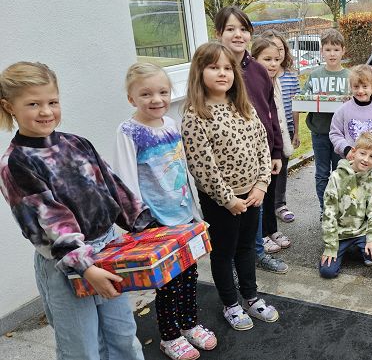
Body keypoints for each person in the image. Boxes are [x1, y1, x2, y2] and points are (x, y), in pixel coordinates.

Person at [0, 61, 154, 360]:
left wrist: (147, 227)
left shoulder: (76, 143)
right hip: (67, 265)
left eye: (52, 102)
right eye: (33, 104)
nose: (46, 111)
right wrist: (85, 267)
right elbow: (52, 222)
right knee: (82, 349)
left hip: (108, 253)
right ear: (9, 107)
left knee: (123, 336)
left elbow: (115, 189)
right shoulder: (16, 163)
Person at [113, 62, 216, 360]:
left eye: (162, 92)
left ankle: (189, 324)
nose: (156, 99)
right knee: (167, 283)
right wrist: (139, 224)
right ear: (132, 98)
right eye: (146, 94)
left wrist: (195, 214)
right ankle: (169, 337)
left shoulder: (171, 124)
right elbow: (124, 179)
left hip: (183, 215)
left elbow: (182, 169)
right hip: (155, 222)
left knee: (189, 275)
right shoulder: (129, 131)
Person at [181, 42, 279, 331]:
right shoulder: (195, 115)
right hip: (222, 200)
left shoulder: (242, 106)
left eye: (227, 68)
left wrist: (261, 184)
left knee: (247, 248)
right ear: (199, 73)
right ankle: (230, 303)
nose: (222, 73)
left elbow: (262, 144)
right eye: (213, 67)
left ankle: (250, 296)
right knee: (224, 252)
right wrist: (227, 199)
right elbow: (202, 166)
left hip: (252, 194)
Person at [213, 6, 290, 273]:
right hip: (228, 160)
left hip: (262, 154)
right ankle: (232, 263)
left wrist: (276, 151)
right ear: (218, 33)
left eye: (243, 29)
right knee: (232, 216)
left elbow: (272, 113)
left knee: (255, 209)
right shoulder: (215, 73)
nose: (238, 35)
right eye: (230, 29)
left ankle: (256, 254)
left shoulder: (258, 70)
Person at [251, 36, 295, 261]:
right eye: (266, 59)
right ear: (253, 59)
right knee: (260, 195)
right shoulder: (252, 84)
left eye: (276, 59)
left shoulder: (275, 83)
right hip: (256, 152)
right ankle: (261, 237)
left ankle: (271, 229)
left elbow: (277, 120)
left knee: (270, 193)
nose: (272, 64)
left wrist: (279, 150)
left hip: (273, 149)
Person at [319, 133, 372, 278]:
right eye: (362, 153)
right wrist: (330, 246)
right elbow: (329, 212)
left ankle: (359, 247)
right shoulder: (337, 176)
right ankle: (342, 249)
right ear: (354, 152)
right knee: (327, 272)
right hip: (340, 233)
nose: (366, 159)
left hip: (361, 230)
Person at [303, 28, 351, 214]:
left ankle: (340, 209)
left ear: (343, 51)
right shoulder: (315, 76)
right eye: (328, 49)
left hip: (342, 135)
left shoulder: (348, 77)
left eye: (336, 49)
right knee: (322, 173)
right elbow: (303, 99)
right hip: (320, 132)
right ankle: (326, 210)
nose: (332, 53)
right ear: (322, 51)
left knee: (340, 173)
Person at [257, 29, 300, 224]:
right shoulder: (260, 79)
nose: (277, 57)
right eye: (270, 55)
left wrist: (296, 132)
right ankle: (265, 211)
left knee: (281, 169)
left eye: (280, 50)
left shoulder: (289, 77)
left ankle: (279, 204)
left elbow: (296, 105)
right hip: (266, 133)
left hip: (286, 129)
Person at [329, 64, 372, 167]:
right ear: (351, 87)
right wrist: (346, 149)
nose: (360, 91)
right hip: (349, 164)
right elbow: (335, 133)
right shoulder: (343, 110)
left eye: (365, 86)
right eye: (356, 87)